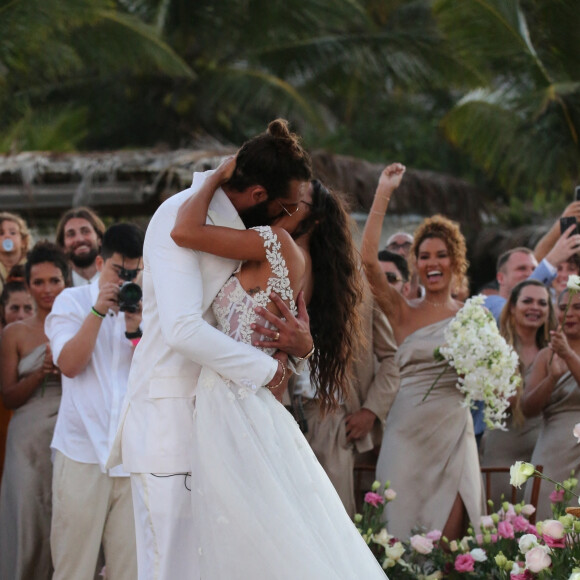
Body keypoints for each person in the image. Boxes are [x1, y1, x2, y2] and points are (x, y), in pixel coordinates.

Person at [107, 120, 317, 580]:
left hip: (228, 425)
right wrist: (268, 373)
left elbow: (260, 317)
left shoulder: (249, 235)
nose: (287, 218)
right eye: (284, 206)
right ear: (259, 193)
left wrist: (300, 348)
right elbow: (182, 329)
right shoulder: (179, 214)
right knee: (171, 568)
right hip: (171, 423)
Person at [169, 155, 387, 579]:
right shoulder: (277, 251)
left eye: (298, 201)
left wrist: (213, 177)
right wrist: (296, 351)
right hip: (242, 400)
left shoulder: (275, 243)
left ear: (314, 218)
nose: (283, 203)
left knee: (241, 528)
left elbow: (182, 231)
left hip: (234, 401)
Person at [361, 163, 484, 541]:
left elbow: (489, 383)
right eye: (425, 256)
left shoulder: (472, 319)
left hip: (452, 435)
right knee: (396, 540)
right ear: (415, 263)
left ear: (455, 262)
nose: (433, 263)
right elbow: (367, 261)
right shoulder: (401, 311)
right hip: (405, 436)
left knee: (449, 547)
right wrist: (384, 192)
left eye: (441, 255)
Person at [45, 223, 144, 580]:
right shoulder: (70, 301)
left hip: (132, 457)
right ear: (100, 262)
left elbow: (152, 378)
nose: (125, 280)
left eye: (134, 272)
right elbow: (69, 365)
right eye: (119, 271)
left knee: (131, 571)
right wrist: (98, 313)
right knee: (73, 568)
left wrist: (136, 329)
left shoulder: (148, 308)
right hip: (81, 452)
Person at [0, 242, 68, 580]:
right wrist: (40, 372)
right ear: (27, 285)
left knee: (68, 516)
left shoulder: (82, 325)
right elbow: (9, 397)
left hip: (72, 429)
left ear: (65, 282)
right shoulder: (14, 334)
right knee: (28, 516)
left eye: (54, 281)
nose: (46, 290)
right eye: (38, 282)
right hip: (26, 437)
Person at [480, 279, 556, 506]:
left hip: (542, 452)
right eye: (527, 301)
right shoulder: (495, 347)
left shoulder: (554, 351)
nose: (535, 307)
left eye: (542, 303)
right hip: (503, 450)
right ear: (512, 306)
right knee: (498, 522)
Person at [521, 289, 580, 520]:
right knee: (545, 516)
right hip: (554, 447)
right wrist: (552, 379)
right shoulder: (547, 355)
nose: (570, 314)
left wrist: (569, 355)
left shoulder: (563, 353)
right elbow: (528, 409)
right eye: (564, 308)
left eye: (578, 307)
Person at [55, 206, 105, 286]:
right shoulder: (58, 287)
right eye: (71, 234)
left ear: (99, 239)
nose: (79, 239)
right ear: (63, 246)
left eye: (85, 231)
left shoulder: (119, 280)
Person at [0, 212, 31, 295]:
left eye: (12, 233)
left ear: (23, 241)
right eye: (1, 233)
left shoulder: (32, 266)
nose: (7, 236)